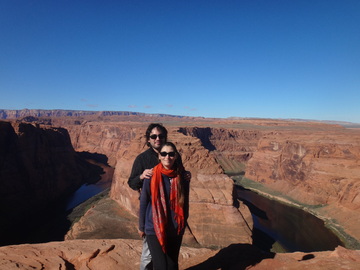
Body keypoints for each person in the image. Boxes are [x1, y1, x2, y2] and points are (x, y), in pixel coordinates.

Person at [139, 142, 190, 270]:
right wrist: (141, 226)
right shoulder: (150, 176)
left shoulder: (182, 177)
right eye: (164, 154)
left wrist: (183, 224)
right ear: (159, 156)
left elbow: (185, 203)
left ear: (175, 156)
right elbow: (144, 202)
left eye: (171, 154)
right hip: (154, 227)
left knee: (172, 265)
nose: (168, 157)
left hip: (175, 228)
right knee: (160, 266)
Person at [128, 123, 168, 270]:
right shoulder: (142, 159)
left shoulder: (171, 155)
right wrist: (141, 176)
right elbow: (131, 182)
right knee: (148, 252)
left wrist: (186, 175)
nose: (158, 139)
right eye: (154, 136)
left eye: (161, 136)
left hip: (169, 211)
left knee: (166, 250)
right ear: (148, 139)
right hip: (151, 211)